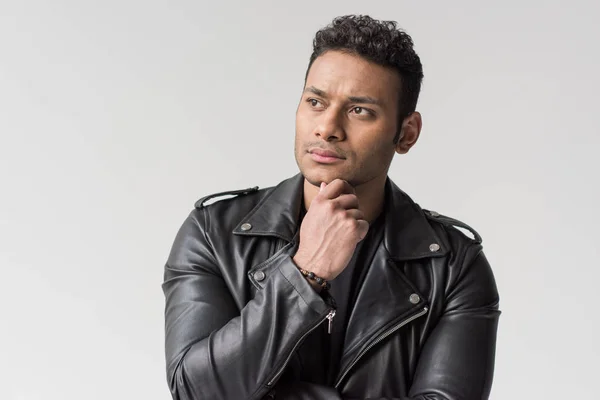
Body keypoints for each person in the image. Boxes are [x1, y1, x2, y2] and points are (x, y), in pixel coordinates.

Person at [162, 14, 500, 400]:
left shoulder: (454, 266)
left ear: (406, 134)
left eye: (360, 111)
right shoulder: (214, 234)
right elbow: (196, 392)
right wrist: (305, 274)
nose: (327, 127)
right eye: (316, 101)